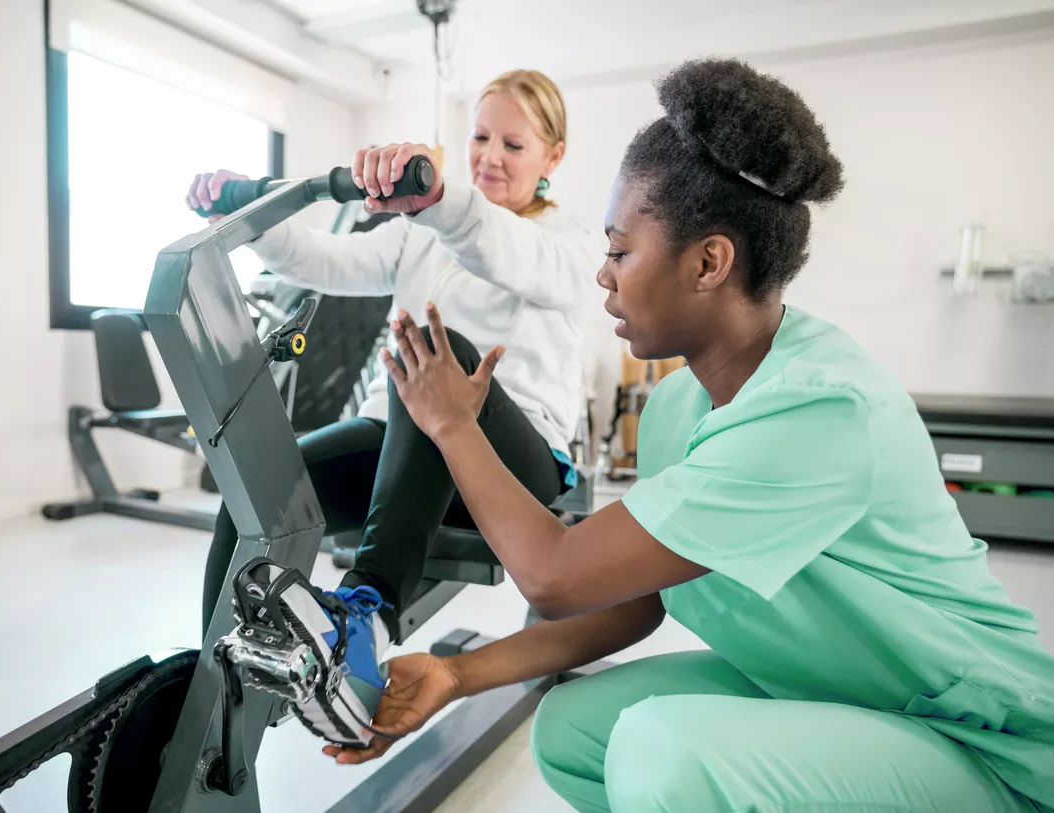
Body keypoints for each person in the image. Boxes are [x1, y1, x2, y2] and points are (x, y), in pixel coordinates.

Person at [300, 58, 1054, 812]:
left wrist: (452, 422)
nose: (603, 275)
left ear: (709, 262)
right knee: (573, 729)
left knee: (662, 752)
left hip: (971, 735)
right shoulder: (677, 407)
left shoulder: (820, 409)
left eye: (621, 251)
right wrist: (457, 674)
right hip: (826, 688)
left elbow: (553, 576)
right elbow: (636, 600)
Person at [185, 70, 604, 745]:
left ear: (553, 157)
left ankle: (365, 617)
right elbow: (332, 260)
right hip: (402, 435)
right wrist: (247, 221)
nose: (490, 155)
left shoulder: (571, 243)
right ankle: (213, 690)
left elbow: (507, 251)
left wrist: (441, 199)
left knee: (439, 351)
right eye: (479, 137)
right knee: (253, 496)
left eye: (513, 145)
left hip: (513, 464)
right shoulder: (424, 232)